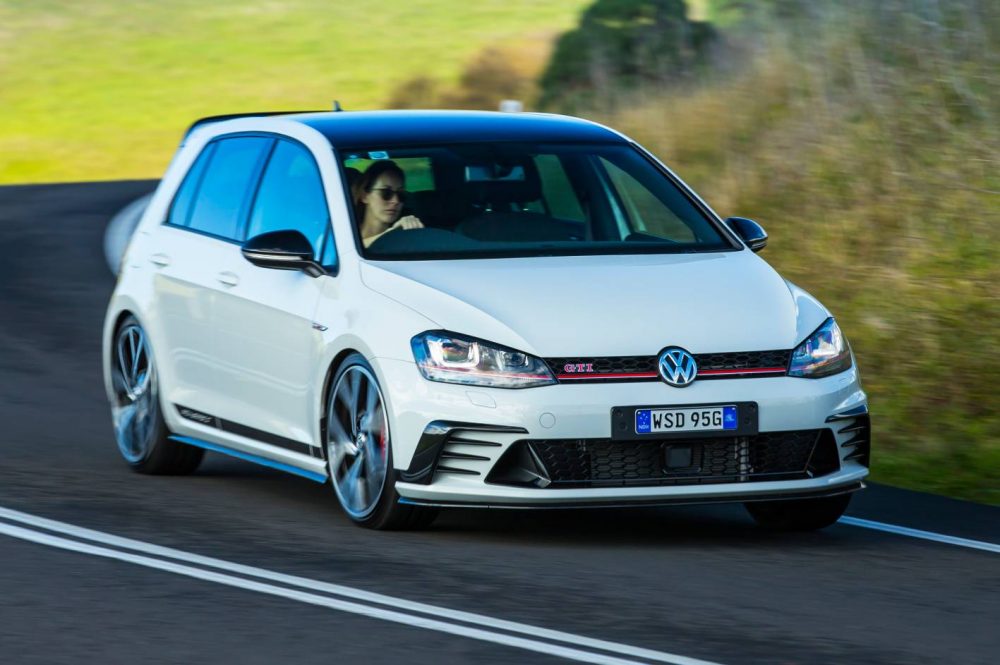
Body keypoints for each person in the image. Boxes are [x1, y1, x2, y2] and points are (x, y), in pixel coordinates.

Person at [352, 160, 424, 247]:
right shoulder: (342, 232)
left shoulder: (402, 237)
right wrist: (390, 234)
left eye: (401, 194)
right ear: (364, 196)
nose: (395, 201)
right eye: (386, 193)